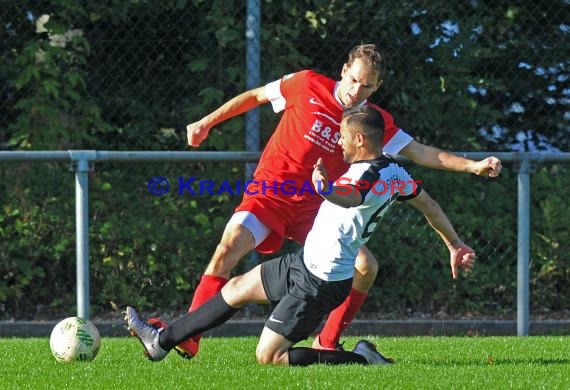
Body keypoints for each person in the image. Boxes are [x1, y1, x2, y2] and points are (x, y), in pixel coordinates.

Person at [150, 43, 499, 358]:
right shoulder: (306, 84)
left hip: (318, 210)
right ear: (345, 70)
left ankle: (328, 342)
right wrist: (206, 122)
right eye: (354, 80)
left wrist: (472, 165)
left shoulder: (369, 123)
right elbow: (256, 96)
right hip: (273, 192)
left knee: (366, 267)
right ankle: (189, 338)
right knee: (228, 249)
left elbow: (422, 152)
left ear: (377, 88)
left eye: (366, 86)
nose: (355, 91)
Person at [126, 106, 475, 366]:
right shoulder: (396, 171)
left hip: (320, 282)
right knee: (235, 289)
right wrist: (454, 243)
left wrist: (324, 188)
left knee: (270, 357)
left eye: (341, 135)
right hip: (305, 262)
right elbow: (429, 205)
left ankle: (362, 359)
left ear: (359, 138)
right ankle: (162, 341)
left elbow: (352, 197)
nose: (337, 142)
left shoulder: (364, 176)